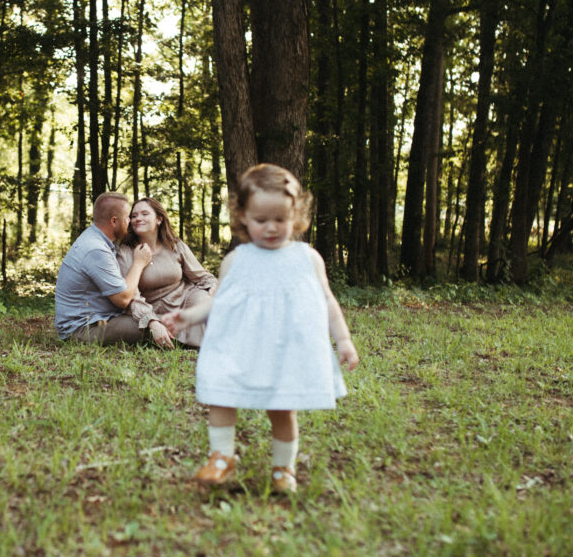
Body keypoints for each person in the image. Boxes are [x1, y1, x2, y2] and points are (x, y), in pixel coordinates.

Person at [163, 163, 360, 493]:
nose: (271, 228)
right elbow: (218, 301)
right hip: (241, 346)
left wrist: (344, 339)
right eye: (261, 220)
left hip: (285, 348)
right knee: (221, 395)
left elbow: (326, 300)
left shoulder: (306, 258)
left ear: (295, 216)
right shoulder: (236, 260)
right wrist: (189, 316)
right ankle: (221, 458)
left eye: (280, 220)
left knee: (281, 407)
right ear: (242, 216)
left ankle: (284, 468)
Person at [115, 198, 217, 348]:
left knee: (203, 301)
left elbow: (202, 277)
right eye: (135, 215)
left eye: (144, 214)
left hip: (186, 300)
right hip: (155, 311)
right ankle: (193, 340)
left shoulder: (175, 245)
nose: (138, 219)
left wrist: (214, 287)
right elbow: (132, 297)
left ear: (159, 219)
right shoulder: (126, 252)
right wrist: (152, 321)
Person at [54, 192, 154, 344]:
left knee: (153, 318)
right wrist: (139, 263)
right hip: (81, 329)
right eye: (128, 217)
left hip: (98, 319)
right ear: (114, 221)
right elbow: (123, 299)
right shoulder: (96, 249)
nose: (131, 222)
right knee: (151, 325)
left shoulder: (98, 239)